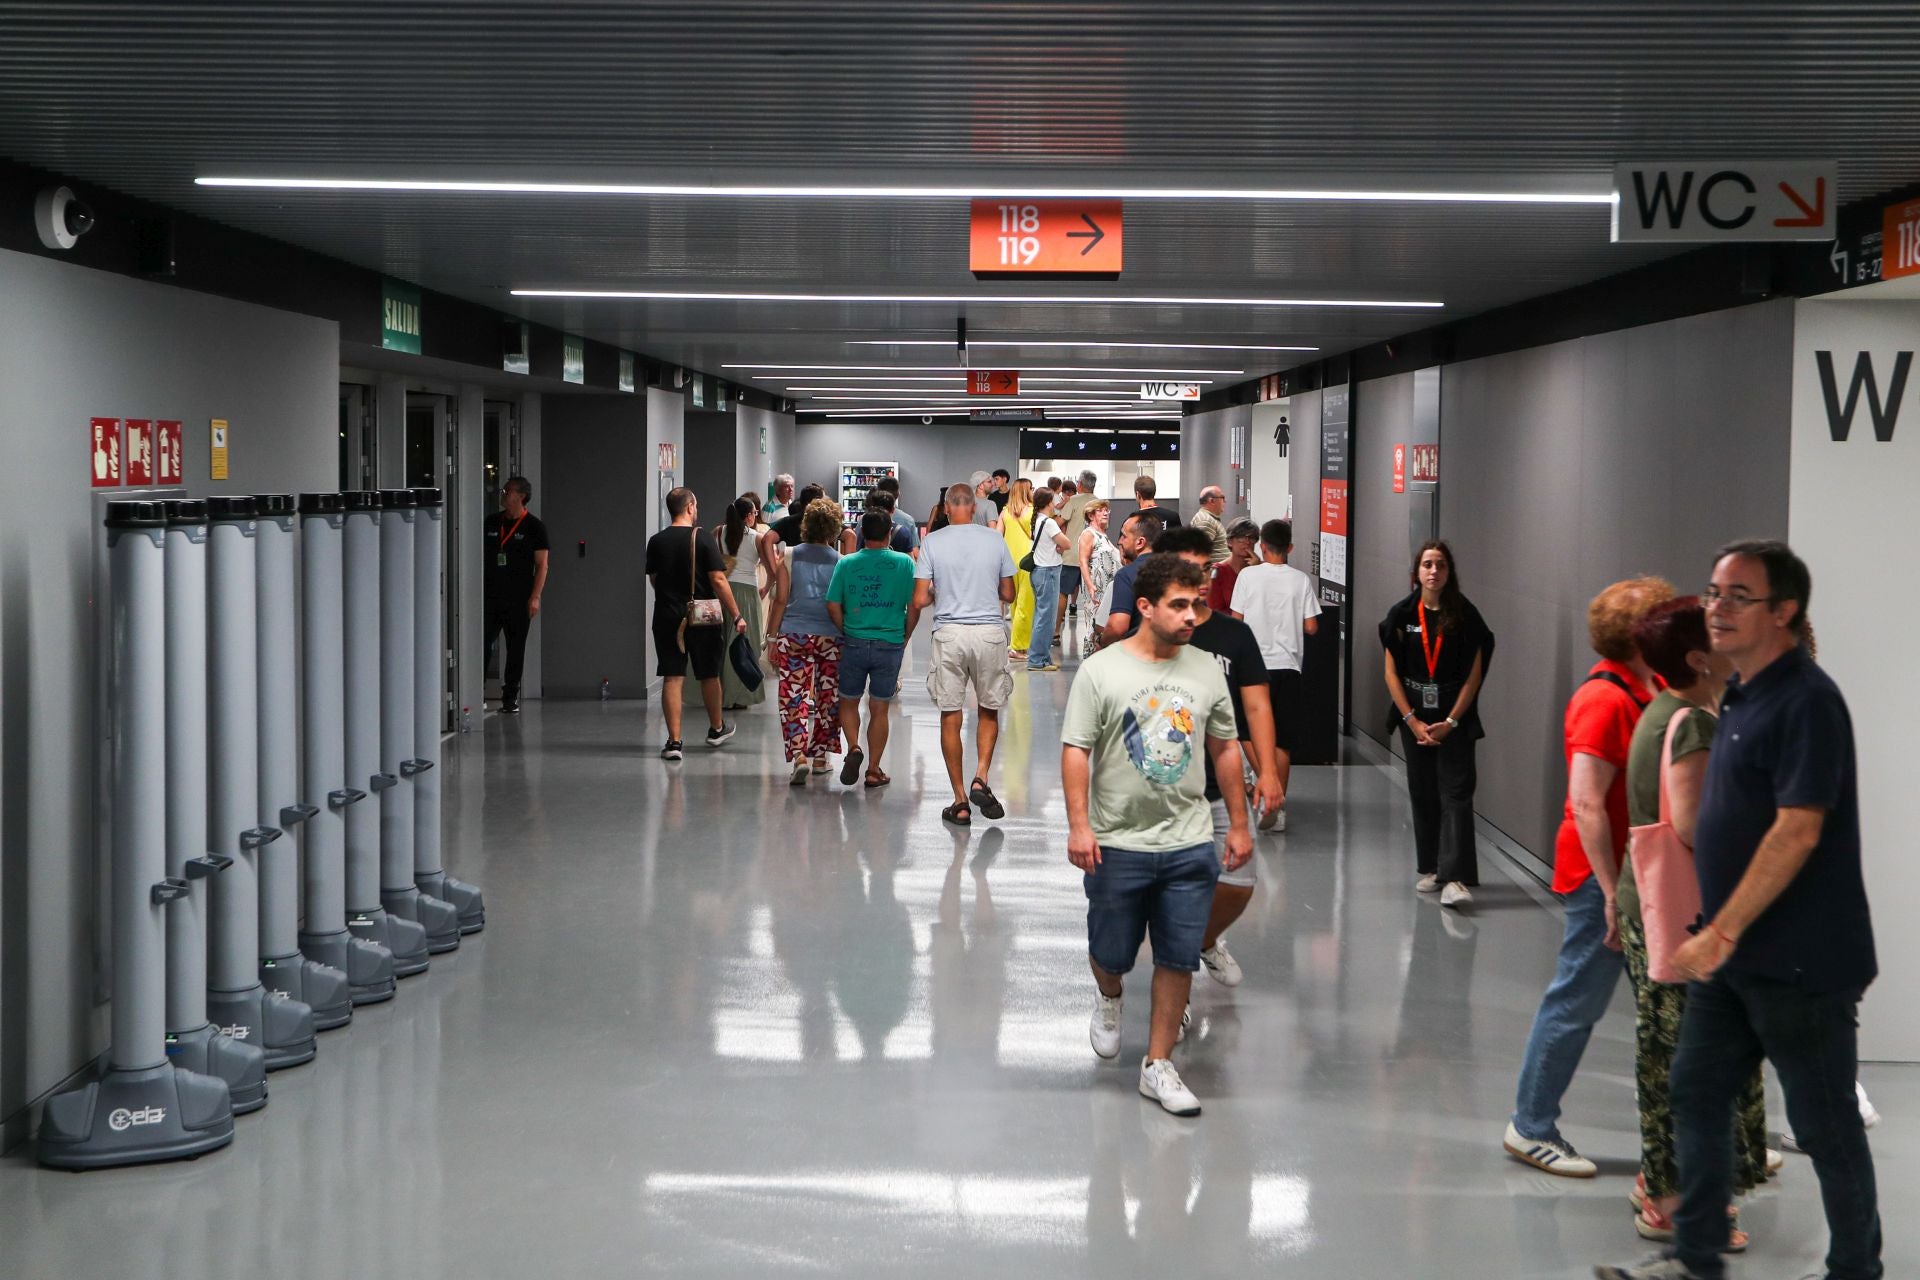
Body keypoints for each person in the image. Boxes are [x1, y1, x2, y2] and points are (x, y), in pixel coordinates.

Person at [1598, 543, 1880, 1280]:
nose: (1716, 609)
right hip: (1732, 956)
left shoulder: (1807, 702)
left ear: (1783, 612)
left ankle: (1856, 1269)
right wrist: (1719, 933)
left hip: (1799, 961)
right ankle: (1698, 1258)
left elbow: (1799, 829)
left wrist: (1722, 927)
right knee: (1695, 1090)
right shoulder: (1742, 693)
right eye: (1713, 593)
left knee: (1824, 1126)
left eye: (1737, 596)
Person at [1063, 554, 1251, 1116]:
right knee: (1112, 953)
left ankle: (1158, 1063)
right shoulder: (1102, 670)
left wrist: (1239, 823)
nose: (1192, 615)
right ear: (1145, 607)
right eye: (1180, 605)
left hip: (1188, 839)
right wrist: (1079, 826)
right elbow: (1076, 750)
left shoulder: (1206, 669)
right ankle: (1110, 996)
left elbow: (1224, 746)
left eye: (1198, 604)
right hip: (1116, 840)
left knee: (1178, 955)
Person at [1503, 576, 1673, 1177]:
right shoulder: (1603, 700)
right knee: (1577, 1000)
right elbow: (1588, 803)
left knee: (1679, 1009)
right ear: (1640, 633)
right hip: (1602, 879)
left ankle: (1714, 1137)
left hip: (1645, 874)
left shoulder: (1655, 685)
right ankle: (1531, 1126)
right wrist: (1607, 892)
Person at [1612, 598, 1767, 1250]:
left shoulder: (1661, 711)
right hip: (1687, 917)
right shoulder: (1694, 726)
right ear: (1698, 658)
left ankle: (1663, 1184)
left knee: (1665, 1052)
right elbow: (1695, 827)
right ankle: (1681, 1204)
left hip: (1652, 908)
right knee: (1695, 1060)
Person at [1158, 526, 1283, 988]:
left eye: (1206, 570)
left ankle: (1204, 941)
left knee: (1238, 883)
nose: (1201, 580)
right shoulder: (1152, 634)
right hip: (1164, 789)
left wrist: (1268, 772)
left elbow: (1257, 707)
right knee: (1175, 895)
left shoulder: (1234, 636)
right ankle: (1177, 999)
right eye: (1189, 571)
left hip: (1222, 783)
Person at [1379, 541, 1494, 904]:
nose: (1433, 571)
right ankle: (1433, 867)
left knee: (1456, 793)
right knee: (1423, 791)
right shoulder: (1402, 615)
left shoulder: (1465, 615)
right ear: (1417, 572)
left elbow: (1474, 675)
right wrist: (1411, 720)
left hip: (1454, 716)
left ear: (1449, 571)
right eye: (1427, 564)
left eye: (1440, 565)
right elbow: (1391, 673)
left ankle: (1455, 877)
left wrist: (1451, 721)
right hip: (1414, 715)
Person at [913, 483, 1016, 827]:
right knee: (988, 708)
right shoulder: (995, 541)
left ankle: (959, 802)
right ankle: (981, 777)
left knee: (950, 714)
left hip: (949, 634)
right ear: (974, 508)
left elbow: (919, 599)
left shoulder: (932, 542)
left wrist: (938, 592)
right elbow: (1009, 593)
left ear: (945, 508)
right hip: (988, 633)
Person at [1228, 519, 1321, 831]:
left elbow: (1236, 620)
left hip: (1253, 666)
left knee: (1244, 730)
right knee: (1282, 738)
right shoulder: (1300, 580)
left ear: (1262, 546)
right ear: (1290, 547)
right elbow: (1312, 626)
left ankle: (1269, 790)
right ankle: (1277, 805)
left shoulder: (1247, 577)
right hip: (1289, 666)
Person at [643, 487, 749, 760]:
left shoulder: (656, 541)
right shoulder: (702, 537)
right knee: (709, 674)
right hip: (703, 616)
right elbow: (718, 579)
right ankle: (716, 728)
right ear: (690, 507)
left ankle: (674, 742)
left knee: (672, 676)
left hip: (667, 615)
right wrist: (737, 614)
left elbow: (654, 579)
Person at [826, 510, 920, 789]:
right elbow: (914, 605)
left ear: (862, 534)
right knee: (879, 708)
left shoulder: (846, 563)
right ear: (890, 533)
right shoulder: (904, 563)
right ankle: (873, 770)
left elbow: (832, 603)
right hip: (889, 642)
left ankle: (854, 747)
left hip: (855, 640)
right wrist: (905, 635)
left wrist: (845, 628)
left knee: (848, 701)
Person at [765, 498, 844, 785]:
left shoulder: (788, 555)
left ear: (805, 525)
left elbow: (781, 599)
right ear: (834, 528)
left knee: (793, 696)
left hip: (794, 634)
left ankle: (799, 755)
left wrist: (772, 638)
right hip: (831, 636)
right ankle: (821, 757)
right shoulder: (841, 562)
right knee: (828, 697)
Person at [483, 476, 549, 714]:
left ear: (521, 496)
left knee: (515, 647)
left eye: (507, 491)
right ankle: (475, 691)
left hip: (519, 598)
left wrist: (535, 596)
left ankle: (510, 696)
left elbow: (542, 565)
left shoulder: (534, 527)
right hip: (490, 596)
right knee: (483, 644)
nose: (503, 493)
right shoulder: (492, 522)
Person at [716, 496, 770, 712]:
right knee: (746, 645)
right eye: (755, 513)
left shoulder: (718, 532)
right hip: (747, 592)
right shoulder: (757, 538)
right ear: (749, 516)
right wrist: (766, 588)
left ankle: (721, 693)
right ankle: (740, 695)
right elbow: (772, 569)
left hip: (723, 592)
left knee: (723, 644)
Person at [1098, 508, 1168, 648]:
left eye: (1124, 536)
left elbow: (1117, 628)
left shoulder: (1126, 575)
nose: (1119, 541)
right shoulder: (1180, 571)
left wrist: (1101, 643)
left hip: (1139, 654)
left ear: (1140, 542)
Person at [1025, 487, 1071, 672]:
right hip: (1048, 572)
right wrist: (1059, 546)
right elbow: (1067, 543)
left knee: (1041, 617)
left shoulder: (1037, 520)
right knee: (1046, 619)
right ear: (1048, 503)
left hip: (1039, 571)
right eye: (1053, 500)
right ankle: (1037, 660)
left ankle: (1042, 658)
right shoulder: (1049, 522)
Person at [1001, 478, 1037, 661]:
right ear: (1026, 491)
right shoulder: (1032, 511)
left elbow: (997, 536)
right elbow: (1036, 535)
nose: (1033, 491)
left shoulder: (1005, 511)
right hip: (1027, 561)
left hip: (1008, 561)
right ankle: (1018, 647)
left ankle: (1016, 642)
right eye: (1031, 488)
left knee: (1014, 604)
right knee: (1026, 604)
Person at [1078, 499, 1121, 650]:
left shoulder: (1102, 535)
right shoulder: (1088, 534)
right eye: (1100, 510)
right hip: (1096, 590)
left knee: (1103, 625)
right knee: (1094, 625)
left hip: (1106, 590)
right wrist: (1090, 585)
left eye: (1106, 510)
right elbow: (1083, 561)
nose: (1105, 513)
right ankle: (1090, 657)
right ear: (1090, 515)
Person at [1057, 469, 1098, 619]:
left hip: (1073, 554)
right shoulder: (1099, 503)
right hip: (1093, 555)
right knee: (1093, 594)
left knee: (1062, 592)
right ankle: (1093, 629)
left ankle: (1057, 628)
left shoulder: (1073, 500)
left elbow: (1060, 522)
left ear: (1079, 484)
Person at [1208, 518, 1259, 614]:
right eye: (1241, 538)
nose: (1247, 542)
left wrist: (1258, 572)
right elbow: (1215, 611)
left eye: (1252, 538)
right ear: (1229, 541)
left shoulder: (1261, 568)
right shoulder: (1217, 571)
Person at [871, 475, 920, 556]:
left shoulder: (865, 519)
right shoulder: (908, 520)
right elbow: (915, 553)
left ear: (877, 493)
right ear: (898, 493)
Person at [1190, 485, 1230, 563]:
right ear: (1212, 501)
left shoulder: (1208, 519)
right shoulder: (1205, 521)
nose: (1225, 501)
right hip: (1214, 570)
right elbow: (1200, 555)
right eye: (1222, 497)